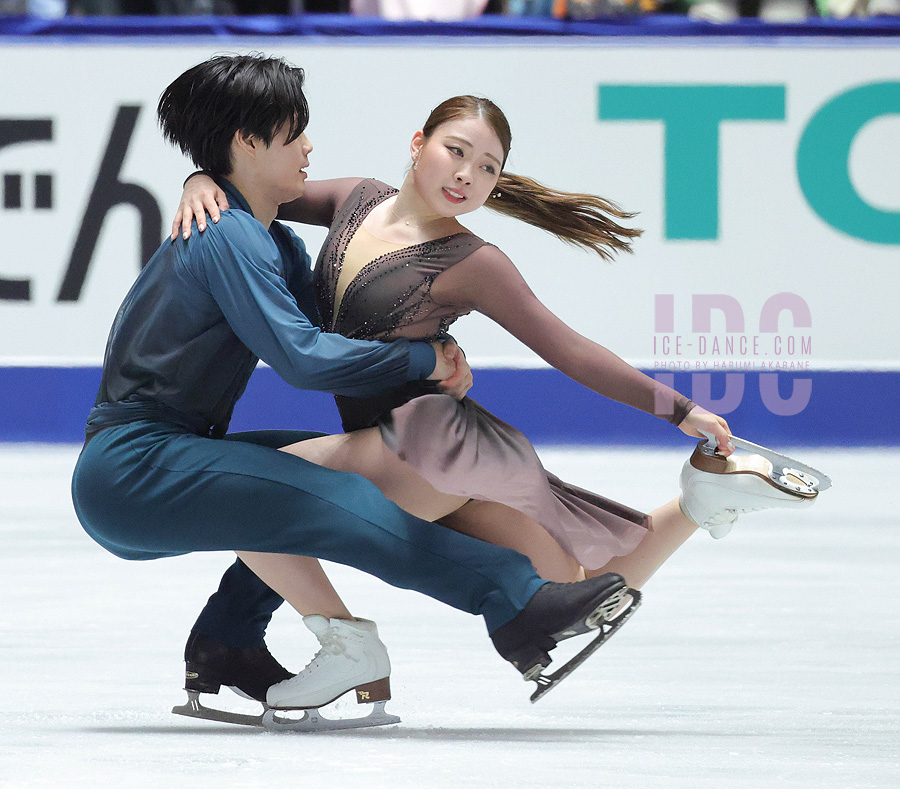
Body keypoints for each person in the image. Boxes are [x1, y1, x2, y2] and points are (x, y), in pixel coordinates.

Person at [174, 93, 818, 707]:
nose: (466, 175)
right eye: (455, 151)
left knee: (248, 499)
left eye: (487, 168)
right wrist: (201, 181)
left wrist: (683, 410)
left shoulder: (476, 261)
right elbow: (264, 188)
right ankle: (702, 499)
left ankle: (332, 646)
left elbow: (569, 349)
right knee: (569, 588)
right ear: (418, 142)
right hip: (424, 447)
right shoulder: (355, 199)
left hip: (429, 444)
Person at [72, 55, 643, 726]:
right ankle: (513, 602)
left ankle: (227, 642)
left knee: (333, 476)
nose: (309, 147)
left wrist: (433, 351)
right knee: (331, 493)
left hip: (170, 454)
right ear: (248, 144)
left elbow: (336, 337)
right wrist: (421, 359)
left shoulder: (273, 242)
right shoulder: (224, 236)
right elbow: (305, 360)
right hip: (128, 469)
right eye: (293, 135)